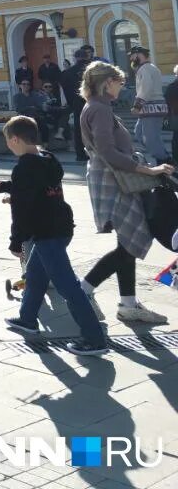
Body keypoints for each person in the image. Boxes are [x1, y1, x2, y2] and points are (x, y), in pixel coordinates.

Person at [0, 116, 108, 356]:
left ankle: (94, 338)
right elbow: (36, 187)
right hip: (62, 225)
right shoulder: (48, 158)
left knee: (69, 287)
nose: (9, 146)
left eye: (8, 142)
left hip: (46, 232)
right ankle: (27, 319)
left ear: (15, 139)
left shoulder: (24, 167)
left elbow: (21, 208)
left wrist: (16, 241)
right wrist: (8, 186)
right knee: (35, 275)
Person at [78, 61, 172, 325]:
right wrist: (147, 170)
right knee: (132, 239)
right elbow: (108, 151)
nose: (122, 86)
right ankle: (84, 289)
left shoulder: (96, 107)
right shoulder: (100, 109)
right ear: (107, 82)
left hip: (110, 179)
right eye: (119, 81)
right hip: (115, 181)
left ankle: (128, 303)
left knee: (128, 241)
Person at [130, 47, 167, 164]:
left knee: (150, 139)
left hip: (152, 107)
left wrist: (137, 106)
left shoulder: (145, 69)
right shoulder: (148, 68)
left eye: (132, 55)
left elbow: (146, 89)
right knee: (139, 134)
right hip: (151, 107)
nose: (131, 58)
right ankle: (163, 159)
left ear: (138, 55)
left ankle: (166, 163)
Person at [61, 48, 91, 161]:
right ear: (86, 57)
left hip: (77, 102)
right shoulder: (93, 70)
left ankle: (80, 154)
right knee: (95, 126)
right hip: (93, 101)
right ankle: (96, 152)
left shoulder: (68, 72)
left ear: (75, 58)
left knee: (79, 128)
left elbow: (65, 88)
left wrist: (71, 103)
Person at [12, 80, 54, 145]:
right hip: (24, 117)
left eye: (28, 84)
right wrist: (30, 107)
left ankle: (45, 145)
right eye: (24, 84)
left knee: (44, 127)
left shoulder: (35, 95)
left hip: (35, 116)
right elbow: (18, 108)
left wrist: (30, 108)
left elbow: (39, 106)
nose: (26, 86)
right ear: (20, 86)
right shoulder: (17, 97)